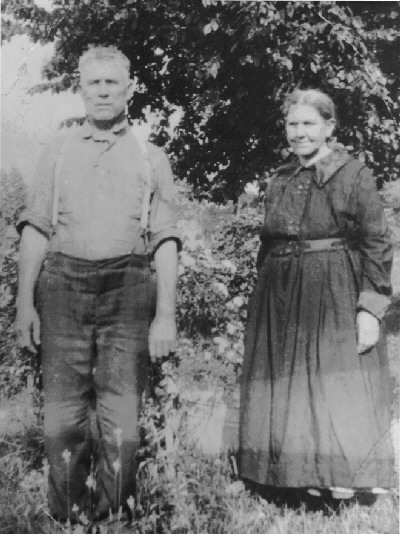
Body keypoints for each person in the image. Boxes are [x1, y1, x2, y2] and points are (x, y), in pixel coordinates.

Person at [15, 46, 181, 527]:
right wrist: (25, 304)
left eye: (112, 82)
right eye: (94, 83)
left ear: (130, 89)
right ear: (81, 89)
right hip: (64, 287)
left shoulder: (150, 156)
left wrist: (166, 315)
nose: (103, 91)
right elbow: (35, 229)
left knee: (121, 410)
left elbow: (166, 239)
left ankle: (114, 516)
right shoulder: (58, 150)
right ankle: (67, 515)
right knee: (63, 411)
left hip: (128, 288)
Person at [239, 88, 395, 502]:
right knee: (286, 381)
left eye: (309, 123)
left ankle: (342, 480)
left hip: (333, 287)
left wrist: (370, 308)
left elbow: (377, 243)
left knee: (333, 379)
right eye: (293, 124)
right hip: (279, 290)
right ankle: (291, 478)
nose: (300, 132)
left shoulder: (354, 174)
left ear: (329, 126)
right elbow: (268, 242)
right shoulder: (280, 178)